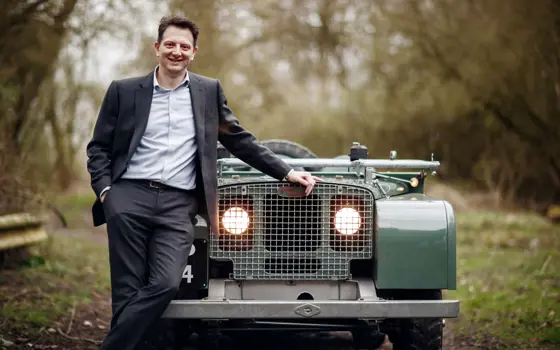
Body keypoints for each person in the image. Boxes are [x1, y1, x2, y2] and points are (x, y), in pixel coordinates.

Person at [86, 14, 321, 350]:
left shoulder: (207, 91)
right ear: (157, 47)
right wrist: (107, 191)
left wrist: (286, 171)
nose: (176, 51)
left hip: (177, 204)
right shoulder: (124, 91)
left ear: (194, 52)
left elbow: (239, 139)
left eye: (184, 46)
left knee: (166, 284)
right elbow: (99, 148)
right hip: (128, 197)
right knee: (127, 289)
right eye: (170, 44)